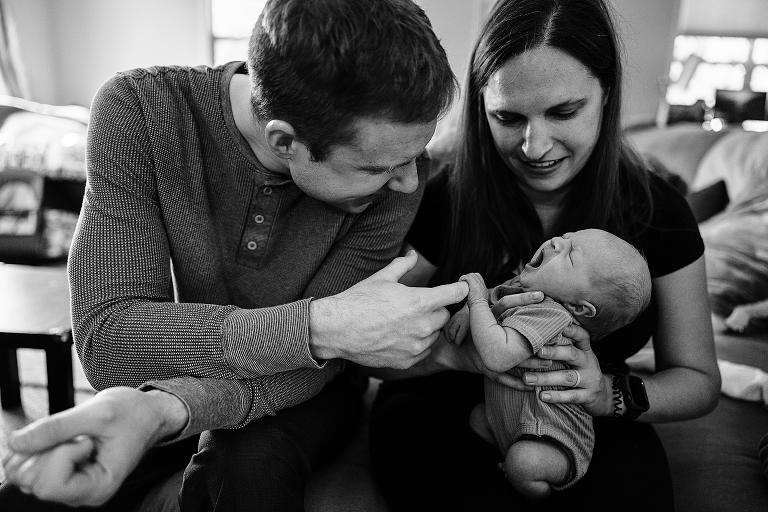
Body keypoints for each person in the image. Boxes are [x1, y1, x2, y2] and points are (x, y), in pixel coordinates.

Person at [0, 0, 484, 510]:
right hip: (185, 373)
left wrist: (169, 408)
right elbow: (110, 340)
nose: (411, 180)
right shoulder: (140, 108)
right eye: (377, 167)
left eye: (415, 155)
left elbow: (328, 360)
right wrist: (318, 327)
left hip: (312, 387)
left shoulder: (399, 181)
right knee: (25, 499)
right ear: (284, 140)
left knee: (250, 462)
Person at [369, 0, 721, 510]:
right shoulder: (446, 196)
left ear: (606, 94)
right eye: (508, 117)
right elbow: (372, 353)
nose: (534, 147)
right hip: (441, 403)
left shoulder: (656, 211)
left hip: (580, 413)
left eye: (563, 112)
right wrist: (456, 355)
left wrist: (607, 394)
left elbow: (697, 380)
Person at [448, 229, 651, 498]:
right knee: (477, 418)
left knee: (524, 462)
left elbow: (497, 355)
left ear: (578, 308)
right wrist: (470, 308)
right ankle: (512, 455)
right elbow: (494, 294)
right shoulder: (527, 288)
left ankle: (536, 490)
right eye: (567, 237)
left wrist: (474, 301)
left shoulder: (553, 313)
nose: (557, 242)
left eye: (569, 255)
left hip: (553, 436)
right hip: (512, 421)